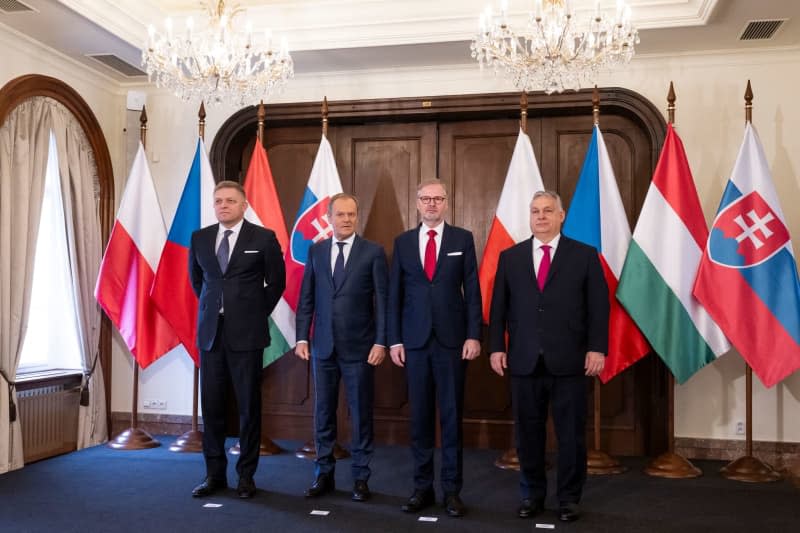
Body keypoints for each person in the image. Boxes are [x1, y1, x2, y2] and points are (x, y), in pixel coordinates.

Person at [488, 190, 609, 522]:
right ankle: (532, 494)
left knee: (570, 434)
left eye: (547, 211)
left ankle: (568, 498)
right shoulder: (510, 257)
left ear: (561, 215)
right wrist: (497, 346)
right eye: (535, 211)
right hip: (524, 360)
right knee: (528, 434)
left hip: (569, 360)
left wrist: (597, 347)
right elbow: (498, 309)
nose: (540, 216)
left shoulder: (584, 255)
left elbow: (599, 307)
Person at [387, 178, 482, 518]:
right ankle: (421, 488)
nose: (431, 204)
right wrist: (394, 339)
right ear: (417, 203)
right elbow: (394, 296)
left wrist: (474, 336)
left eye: (437, 198)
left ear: (446, 203)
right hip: (413, 343)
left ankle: (452, 491)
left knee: (452, 417)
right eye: (425, 198)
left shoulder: (462, 239)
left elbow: (472, 291)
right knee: (420, 418)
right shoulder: (403, 242)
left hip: (453, 343)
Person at [189, 180, 285, 499]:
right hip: (211, 336)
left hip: (247, 336)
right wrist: (214, 309)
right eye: (218, 201)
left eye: (230, 201)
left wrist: (254, 311)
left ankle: (246, 476)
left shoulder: (263, 238)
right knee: (213, 408)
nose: (224, 206)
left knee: (248, 408)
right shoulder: (200, 238)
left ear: (244, 206)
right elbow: (198, 281)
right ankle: (214, 475)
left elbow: (277, 283)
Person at [295, 193, 388, 503]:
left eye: (351, 214)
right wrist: (301, 337)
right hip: (322, 346)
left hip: (361, 348)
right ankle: (324, 474)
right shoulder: (316, 251)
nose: (346, 219)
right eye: (340, 214)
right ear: (330, 218)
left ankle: (360, 478)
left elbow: (383, 303)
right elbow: (306, 296)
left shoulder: (373, 252)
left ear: (356, 216)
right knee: (323, 413)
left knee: (360, 413)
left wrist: (380, 341)